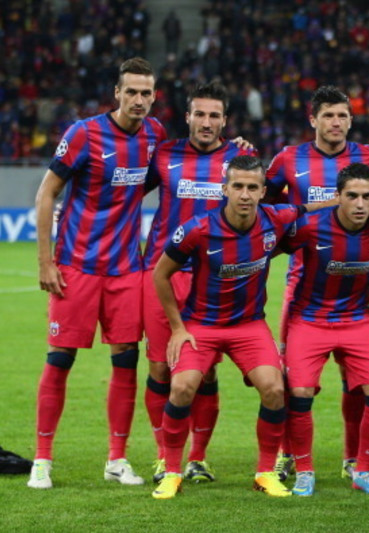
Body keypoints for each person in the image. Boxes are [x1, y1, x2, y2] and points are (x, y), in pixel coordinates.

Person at [30, 57, 167, 490]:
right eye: (132, 92)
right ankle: (42, 460)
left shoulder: (154, 135)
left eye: (147, 93)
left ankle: (116, 458)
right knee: (60, 360)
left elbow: (171, 170)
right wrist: (46, 261)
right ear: (117, 93)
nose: (140, 100)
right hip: (77, 266)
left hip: (127, 268)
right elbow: (46, 193)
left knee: (126, 361)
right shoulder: (84, 134)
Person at [151, 155, 318, 499]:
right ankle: (170, 471)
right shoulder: (197, 229)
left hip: (248, 326)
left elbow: (314, 206)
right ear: (225, 189)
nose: (244, 194)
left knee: (274, 387)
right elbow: (160, 274)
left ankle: (265, 472)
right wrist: (178, 328)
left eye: (252, 187)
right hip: (202, 325)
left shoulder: (277, 218)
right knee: (182, 387)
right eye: (238, 186)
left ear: (262, 192)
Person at [265, 86, 369, 482]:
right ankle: (289, 454)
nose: (335, 123)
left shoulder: (367, 157)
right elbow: (269, 208)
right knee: (296, 383)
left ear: (350, 120)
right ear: (313, 120)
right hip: (302, 284)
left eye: (342, 116)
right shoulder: (289, 158)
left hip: (353, 290)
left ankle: (353, 457)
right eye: (328, 116)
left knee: (357, 384)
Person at [142, 81, 255, 484]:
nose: (206, 122)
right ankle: (163, 455)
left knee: (204, 372)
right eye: (200, 114)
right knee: (159, 367)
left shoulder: (240, 158)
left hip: (213, 281)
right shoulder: (164, 154)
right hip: (163, 274)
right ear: (187, 116)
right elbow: (123, 195)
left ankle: (198, 458)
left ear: (225, 120)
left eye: (214, 116)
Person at [280, 163, 369, 496]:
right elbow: (267, 240)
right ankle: (305, 470)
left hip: (357, 319)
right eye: (352, 196)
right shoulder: (309, 227)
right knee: (300, 393)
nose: (360, 204)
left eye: (367, 196)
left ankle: (363, 470)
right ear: (338, 198)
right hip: (310, 319)